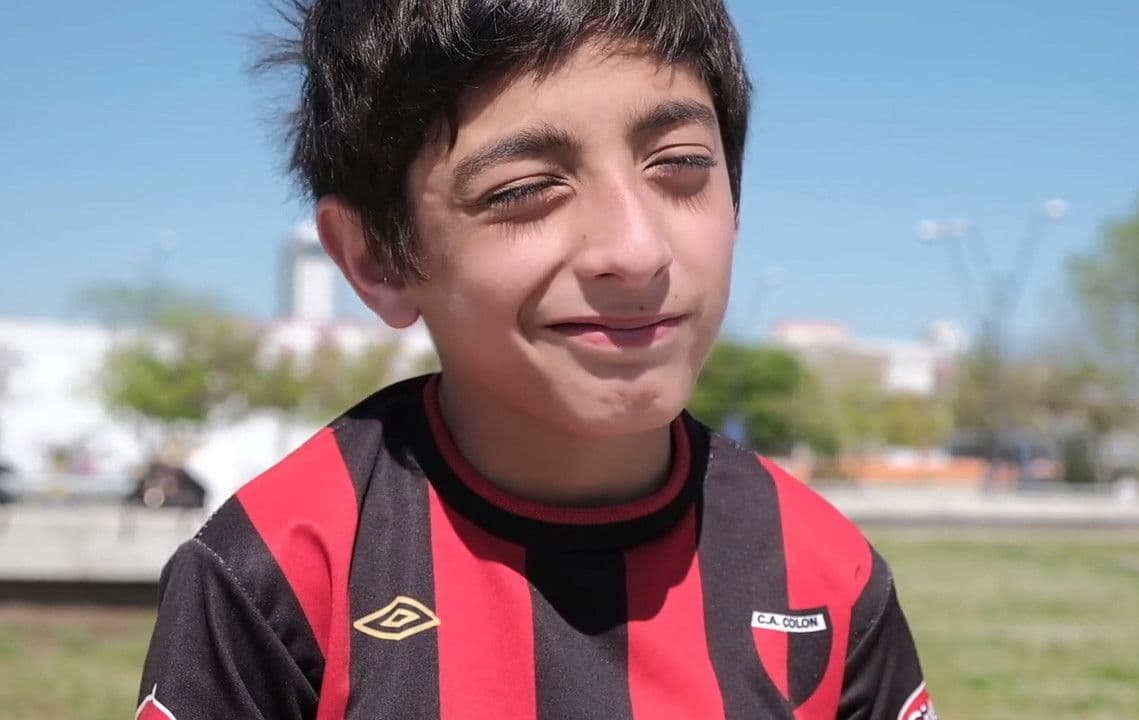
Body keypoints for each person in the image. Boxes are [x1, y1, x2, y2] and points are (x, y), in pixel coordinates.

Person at [136, 1, 936, 718]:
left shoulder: (827, 576)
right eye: (522, 190)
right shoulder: (277, 573)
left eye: (681, 166)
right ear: (377, 260)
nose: (635, 249)